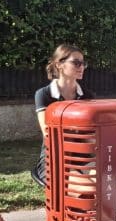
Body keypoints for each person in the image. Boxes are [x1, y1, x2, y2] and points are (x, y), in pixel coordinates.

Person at [33, 44, 95, 189]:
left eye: (83, 63)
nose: (82, 67)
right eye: (76, 62)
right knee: (90, 191)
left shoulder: (87, 95)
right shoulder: (44, 94)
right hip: (55, 160)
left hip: (82, 158)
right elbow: (48, 134)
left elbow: (90, 135)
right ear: (59, 64)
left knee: (107, 185)